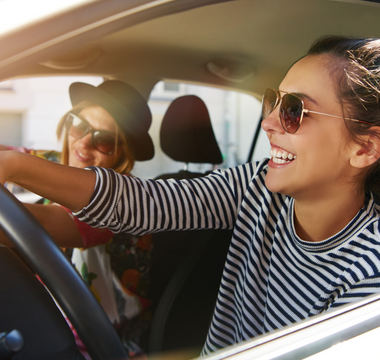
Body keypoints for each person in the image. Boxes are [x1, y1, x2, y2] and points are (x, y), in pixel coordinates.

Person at [1, 35, 380, 356]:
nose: (268, 123)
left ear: (364, 147)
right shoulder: (256, 185)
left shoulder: (369, 273)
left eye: (295, 110)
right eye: (273, 101)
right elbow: (144, 204)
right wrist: (15, 166)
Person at [0, 80, 155, 358]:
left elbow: (44, 224)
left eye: (104, 140)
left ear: (123, 154)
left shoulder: (124, 202)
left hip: (99, 346)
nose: (83, 144)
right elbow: (10, 152)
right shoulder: (57, 164)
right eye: (79, 126)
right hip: (48, 324)